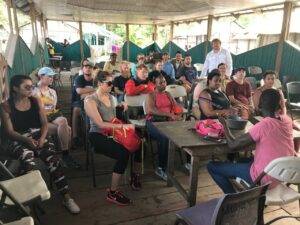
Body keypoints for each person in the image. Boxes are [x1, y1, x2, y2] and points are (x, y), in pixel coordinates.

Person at [0, 75, 80, 214]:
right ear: (15, 88)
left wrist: (43, 138)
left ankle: (66, 197)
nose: (31, 89)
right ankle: (26, 200)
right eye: (26, 87)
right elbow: (9, 131)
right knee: (27, 158)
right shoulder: (6, 106)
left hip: (38, 134)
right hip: (17, 138)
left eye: (31, 86)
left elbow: (44, 123)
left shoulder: (36, 101)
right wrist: (26, 140)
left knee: (53, 159)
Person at [207, 89, 295, 193]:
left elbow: (233, 146)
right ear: (279, 104)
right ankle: (244, 189)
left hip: (263, 178)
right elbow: (268, 125)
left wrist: (224, 125)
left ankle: (233, 198)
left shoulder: (264, 126)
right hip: (282, 174)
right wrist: (250, 117)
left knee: (212, 166)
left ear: (260, 105)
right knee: (238, 161)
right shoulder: (286, 120)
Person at [84, 71, 142, 206]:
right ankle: (113, 192)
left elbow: (115, 106)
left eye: (112, 83)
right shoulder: (90, 100)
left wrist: (122, 104)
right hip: (98, 134)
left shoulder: (110, 97)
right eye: (109, 83)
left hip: (114, 130)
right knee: (123, 153)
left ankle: (134, 175)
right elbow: (99, 124)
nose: (112, 85)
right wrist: (125, 127)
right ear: (99, 83)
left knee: (139, 142)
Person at [33, 67, 81, 169]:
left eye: (52, 77)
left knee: (63, 121)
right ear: (41, 76)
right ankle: (66, 155)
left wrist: (45, 107)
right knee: (67, 129)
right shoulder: (34, 91)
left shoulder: (52, 92)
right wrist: (45, 108)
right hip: (38, 119)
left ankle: (65, 155)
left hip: (51, 116)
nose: (52, 79)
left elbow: (52, 108)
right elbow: (36, 110)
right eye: (49, 76)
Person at [145, 75, 182, 180]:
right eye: (160, 82)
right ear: (155, 84)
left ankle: (188, 162)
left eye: (165, 82)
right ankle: (161, 167)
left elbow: (175, 106)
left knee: (185, 132)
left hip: (167, 121)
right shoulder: (151, 95)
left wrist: (179, 113)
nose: (164, 84)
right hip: (153, 121)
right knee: (165, 138)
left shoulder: (168, 94)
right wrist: (170, 115)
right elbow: (151, 110)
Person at [71, 59, 95, 146]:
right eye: (86, 67)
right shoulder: (79, 78)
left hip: (92, 100)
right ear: (83, 69)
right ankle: (75, 136)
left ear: (93, 69)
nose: (88, 68)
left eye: (90, 67)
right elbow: (79, 91)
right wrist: (94, 90)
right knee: (76, 110)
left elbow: (99, 91)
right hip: (78, 100)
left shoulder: (95, 80)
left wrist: (87, 93)